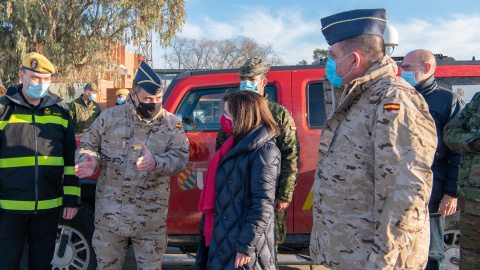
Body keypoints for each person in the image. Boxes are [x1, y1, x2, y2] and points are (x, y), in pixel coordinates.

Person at [310, 9, 438, 269]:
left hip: (373, 260)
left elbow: (405, 194)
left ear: (354, 60)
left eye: (333, 56)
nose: (329, 64)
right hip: (349, 255)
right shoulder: (357, 97)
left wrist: (384, 262)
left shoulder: (392, 99)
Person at [74, 61, 189, 269]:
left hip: (150, 219)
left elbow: (181, 158)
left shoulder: (171, 124)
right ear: (133, 96)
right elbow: (87, 144)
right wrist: (89, 160)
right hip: (110, 217)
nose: (153, 104)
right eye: (147, 99)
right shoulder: (108, 118)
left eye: (158, 99)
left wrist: (157, 162)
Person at [0, 52, 79, 269]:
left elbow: (71, 158)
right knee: (6, 264)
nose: (41, 83)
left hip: (48, 207)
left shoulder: (61, 112)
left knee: (41, 264)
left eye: (46, 79)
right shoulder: (4, 109)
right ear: (21, 75)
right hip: (9, 208)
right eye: (35, 77)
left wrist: (71, 198)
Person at [215, 58, 300, 251]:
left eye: (251, 78)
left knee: (265, 244)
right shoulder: (233, 112)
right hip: (236, 192)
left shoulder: (278, 114)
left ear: (263, 82)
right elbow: (222, 151)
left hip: (266, 192)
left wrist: (284, 194)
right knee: (235, 242)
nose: (246, 82)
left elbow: (290, 156)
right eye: (243, 78)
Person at [401, 49, 465, 270]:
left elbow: (458, 152)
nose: (402, 71)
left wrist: (451, 192)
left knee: (432, 252)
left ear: (426, 68)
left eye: (408, 68)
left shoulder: (448, 101)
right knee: (403, 251)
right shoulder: (399, 96)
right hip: (400, 189)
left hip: (433, 192)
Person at [206, 90, 280, 270]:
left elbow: (261, 205)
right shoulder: (235, 145)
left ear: (243, 116)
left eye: (228, 113)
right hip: (227, 237)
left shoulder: (264, 152)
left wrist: (245, 246)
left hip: (244, 246)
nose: (224, 119)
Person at [444, 94, 480, 270]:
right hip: (472, 205)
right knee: (469, 263)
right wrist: (473, 142)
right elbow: (449, 133)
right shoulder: (478, 100)